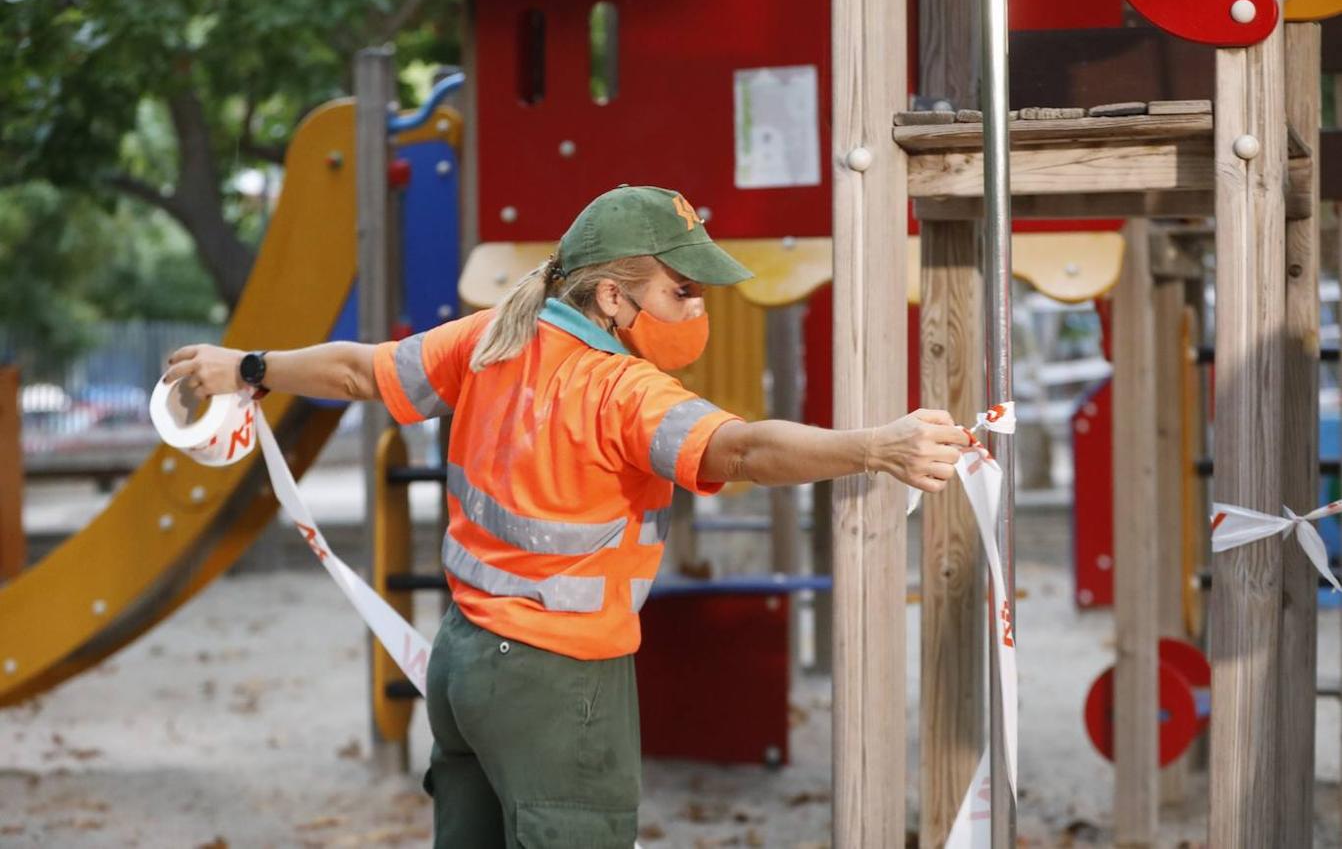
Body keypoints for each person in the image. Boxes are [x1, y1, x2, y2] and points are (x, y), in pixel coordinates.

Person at [164, 185, 965, 848]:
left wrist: (248, 365)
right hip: (558, 683)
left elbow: (357, 370)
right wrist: (875, 446)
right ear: (613, 297)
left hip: (463, 663)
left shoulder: (489, 340)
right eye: (680, 290)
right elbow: (745, 451)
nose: (696, 307)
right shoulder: (624, 391)